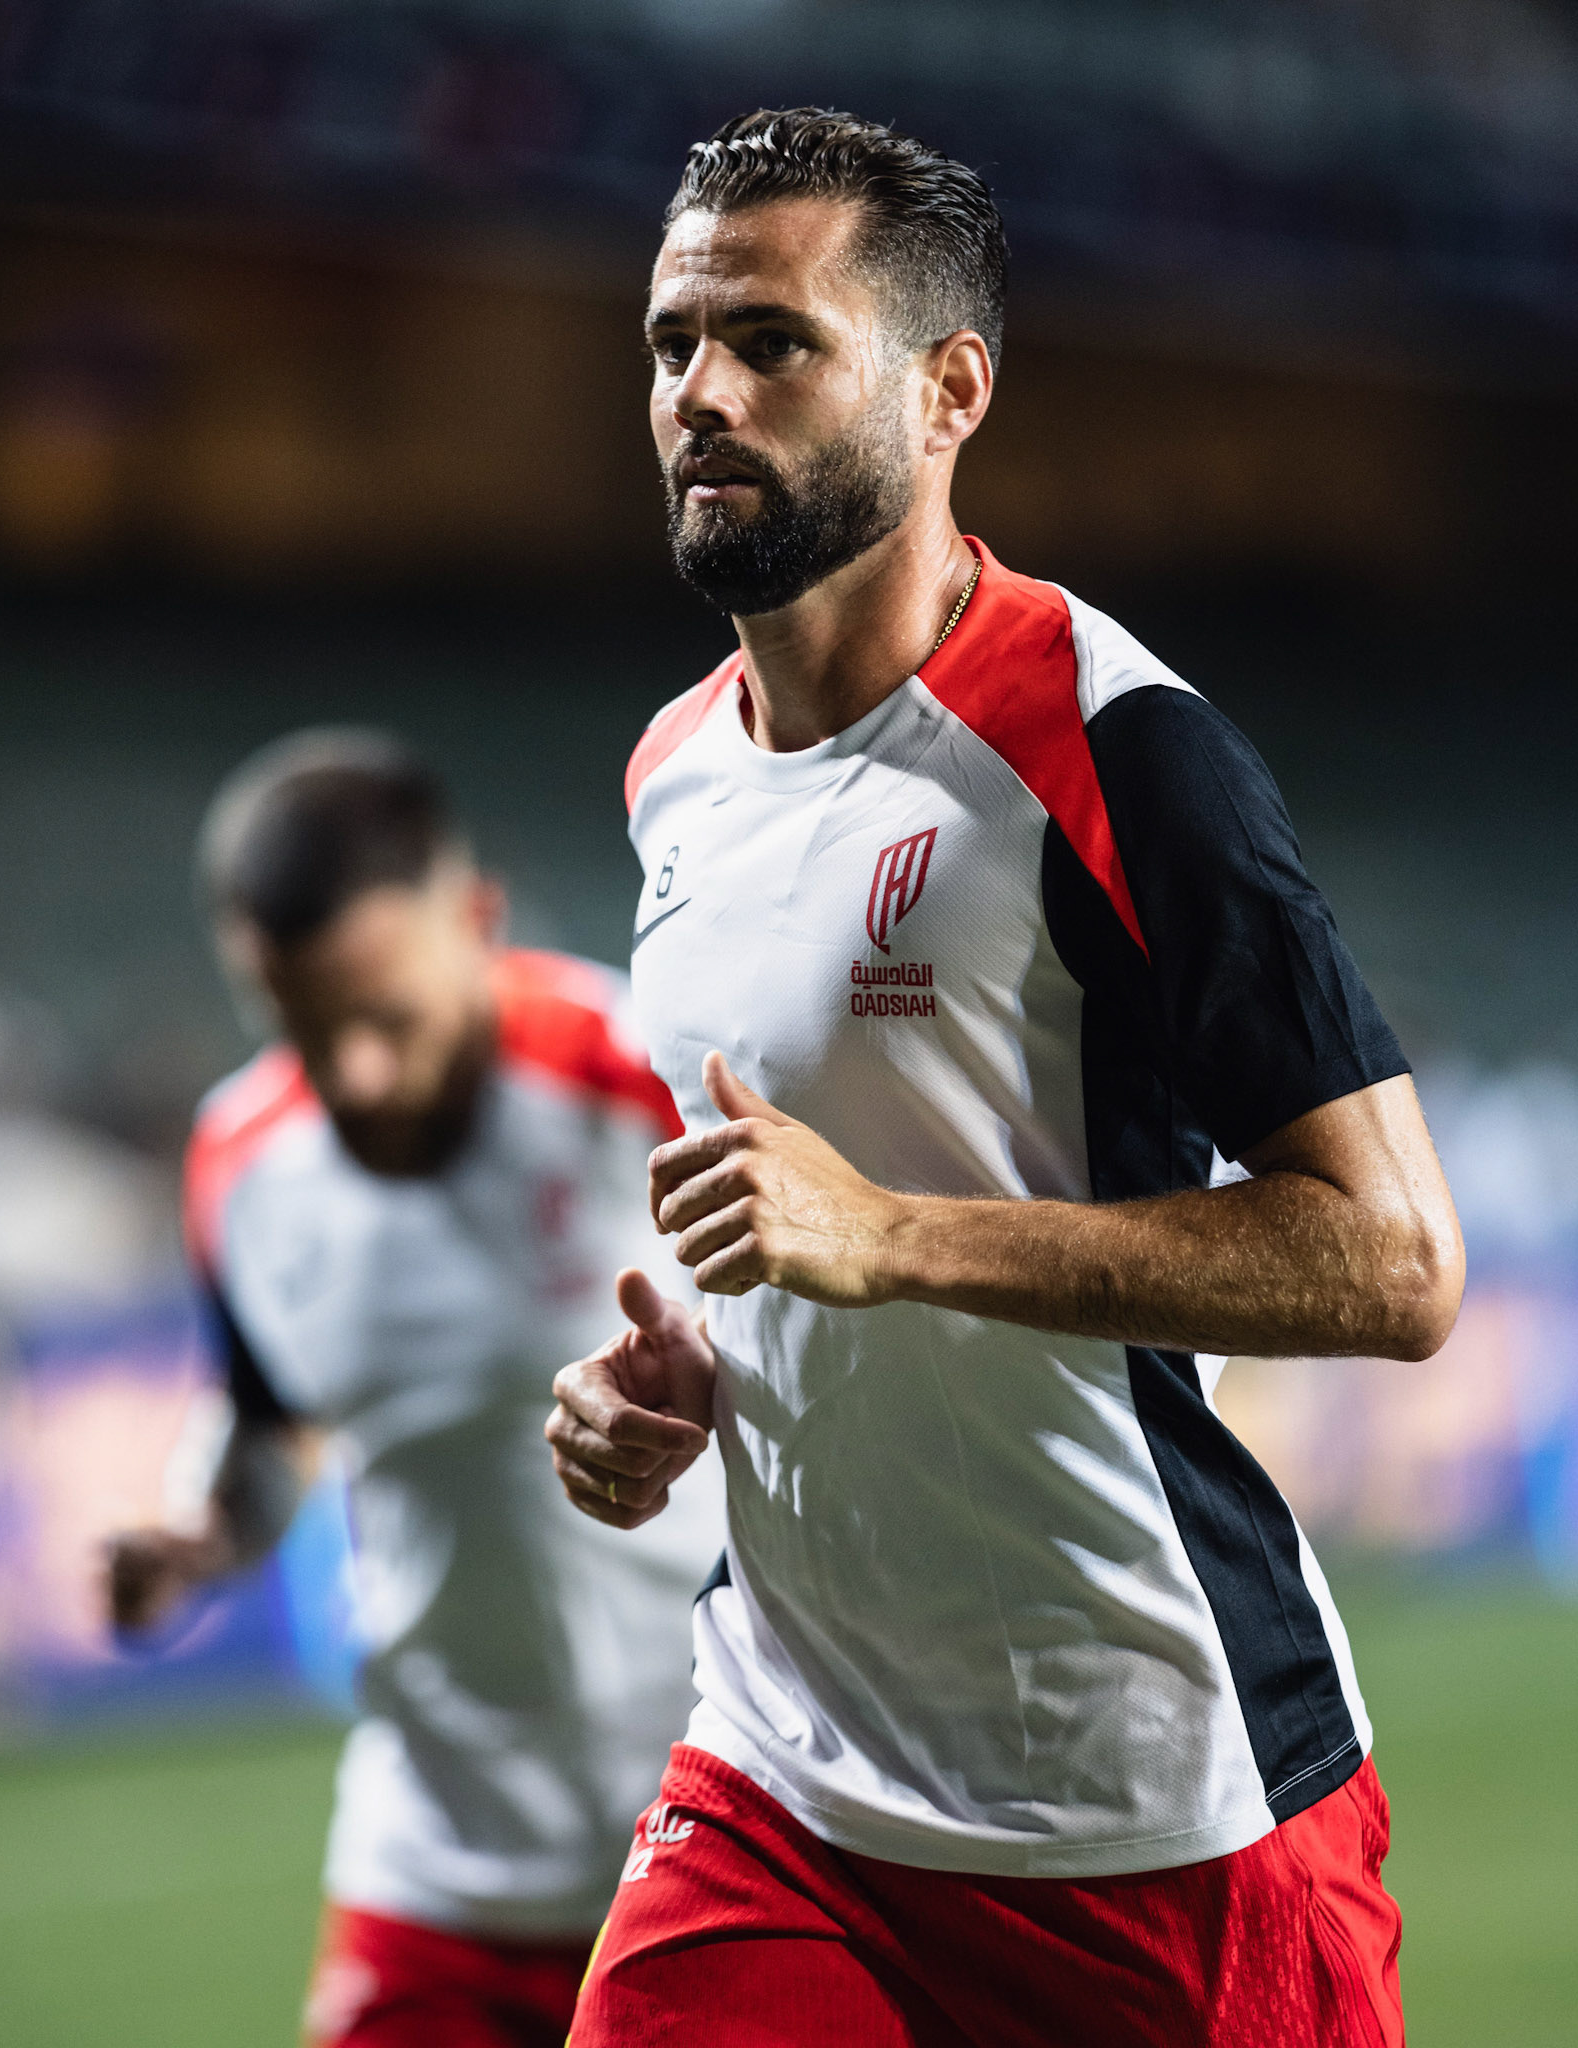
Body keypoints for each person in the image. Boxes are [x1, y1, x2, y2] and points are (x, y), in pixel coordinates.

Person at [546, 109, 1466, 2048]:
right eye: (668, 342)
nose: (700, 394)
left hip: (1162, 1819)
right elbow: (819, 1239)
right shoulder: (670, 782)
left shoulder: (1118, 748)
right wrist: (699, 1388)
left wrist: (894, 1240)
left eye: (772, 342)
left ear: (951, 386)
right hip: (789, 1781)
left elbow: (1394, 1263)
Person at [105, 729, 721, 2048]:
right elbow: (269, 1427)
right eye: (301, 1030)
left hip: (699, 1841)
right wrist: (199, 1533)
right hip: (429, 1860)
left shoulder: (654, 1079)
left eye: (384, 1018)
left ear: (477, 920)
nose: (354, 1077)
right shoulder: (240, 1165)